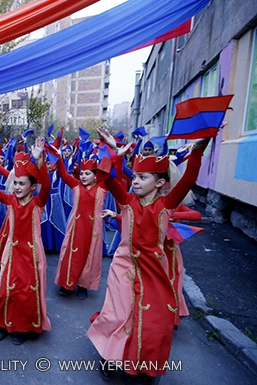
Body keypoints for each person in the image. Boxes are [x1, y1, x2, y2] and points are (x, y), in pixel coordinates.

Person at [87, 127, 212, 384]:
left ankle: (146, 365)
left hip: (154, 271)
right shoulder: (126, 201)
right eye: (133, 176)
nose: (134, 181)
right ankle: (110, 356)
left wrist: (200, 148)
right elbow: (110, 179)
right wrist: (113, 150)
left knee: (155, 319)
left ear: (160, 183)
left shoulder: (166, 205)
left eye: (142, 177)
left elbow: (188, 179)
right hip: (124, 267)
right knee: (119, 316)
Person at [0, 137, 52, 346]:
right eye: (15, 182)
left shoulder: (38, 203)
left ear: (33, 186)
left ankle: (22, 327)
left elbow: (47, 184)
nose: (16, 187)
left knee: (26, 293)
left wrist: (38, 159)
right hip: (12, 254)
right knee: (6, 289)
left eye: (21, 183)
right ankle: (2, 322)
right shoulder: (10, 200)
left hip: (31, 256)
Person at [54, 156, 107, 301]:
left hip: (92, 229)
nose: (83, 176)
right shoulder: (76, 185)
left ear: (96, 175)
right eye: (82, 173)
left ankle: (83, 286)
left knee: (90, 256)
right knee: (71, 254)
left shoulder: (102, 188)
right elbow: (63, 174)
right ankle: (66, 284)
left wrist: (114, 152)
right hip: (76, 227)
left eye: (88, 173)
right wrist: (59, 157)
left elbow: (111, 173)